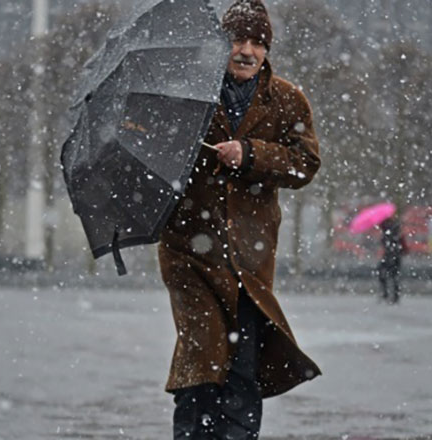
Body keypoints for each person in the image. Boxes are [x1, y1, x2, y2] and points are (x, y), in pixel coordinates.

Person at [157, 1, 322, 438]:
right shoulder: (188, 93)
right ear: (221, 44)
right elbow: (156, 152)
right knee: (201, 362)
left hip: (250, 258)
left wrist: (249, 154)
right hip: (189, 252)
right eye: (237, 40)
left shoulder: (287, 100)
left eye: (257, 43)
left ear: (267, 50)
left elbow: (305, 164)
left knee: (242, 367)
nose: (246, 51)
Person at [378, 216, 402, 304]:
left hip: (391, 256)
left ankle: (388, 294)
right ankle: (394, 295)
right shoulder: (395, 230)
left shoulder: (390, 232)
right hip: (393, 256)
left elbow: (386, 243)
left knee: (387, 275)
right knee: (393, 276)